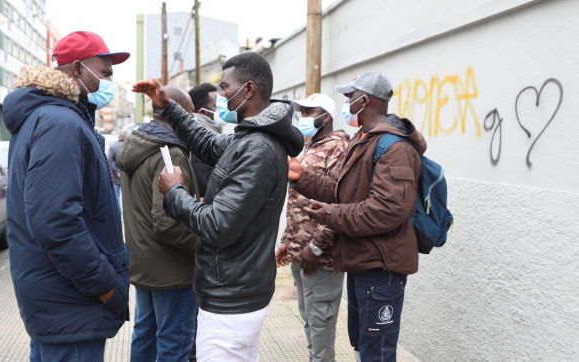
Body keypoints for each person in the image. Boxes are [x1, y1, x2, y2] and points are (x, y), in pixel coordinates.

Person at [132, 51, 304, 361]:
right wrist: (168, 106)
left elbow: (218, 225)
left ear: (248, 89)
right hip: (235, 295)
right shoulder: (250, 138)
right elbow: (208, 144)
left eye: (225, 87)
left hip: (231, 303)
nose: (220, 95)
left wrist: (175, 192)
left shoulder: (259, 148)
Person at [3, 31, 131, 361]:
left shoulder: (51, 117)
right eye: (104, 73)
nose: (109, 81)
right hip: (71, 303)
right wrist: (106, 288)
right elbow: (55, 222)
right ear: (76, 70)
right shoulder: (59, 123)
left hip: (61, 301)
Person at [289, 72, 426, 362]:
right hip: (363, 261)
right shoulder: (363, 140)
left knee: (377, 351)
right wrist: (302, 176)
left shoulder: (395, 146)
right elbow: (343, 192)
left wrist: (331, 215)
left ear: (367, 100)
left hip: (382, 266)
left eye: (351, 97)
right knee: (363, 345)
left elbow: (388, 209)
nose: (347, 102)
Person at [117, 85, 200, 361]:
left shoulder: (137, 144)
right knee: (173, 346)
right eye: (190, 116)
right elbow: (168, 222)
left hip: (143, 264)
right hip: (172, 271)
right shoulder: (170, 153)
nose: (192, 122)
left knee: (145, 336)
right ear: (177, 115)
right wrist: (203, 243)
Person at [275, 93, 349, 362]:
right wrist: (288, 241)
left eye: (309, 112)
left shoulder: (338, 148)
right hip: (300, 253)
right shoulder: (308, 146)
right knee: (309, 320)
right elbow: (296, 202)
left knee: (321, 326)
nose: (303, 117)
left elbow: (342, 203)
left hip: (321, 258)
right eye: (302, 112)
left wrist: (316, 247)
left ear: (325, 117)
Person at [188, 83, 223, 195]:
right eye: (217, 107)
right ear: (202, 111)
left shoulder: (211, 131)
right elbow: (206, 183)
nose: (223, 110)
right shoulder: (199, 137)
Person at [108, 128, 127, 216]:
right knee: (127, 198)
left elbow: (109, 160)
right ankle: (126, 215)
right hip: (126, 177)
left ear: (119, 136)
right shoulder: (128, 146)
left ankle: (118, 215)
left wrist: (117, 171)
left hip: (115, 177)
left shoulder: (113, 146)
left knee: (116, 197)